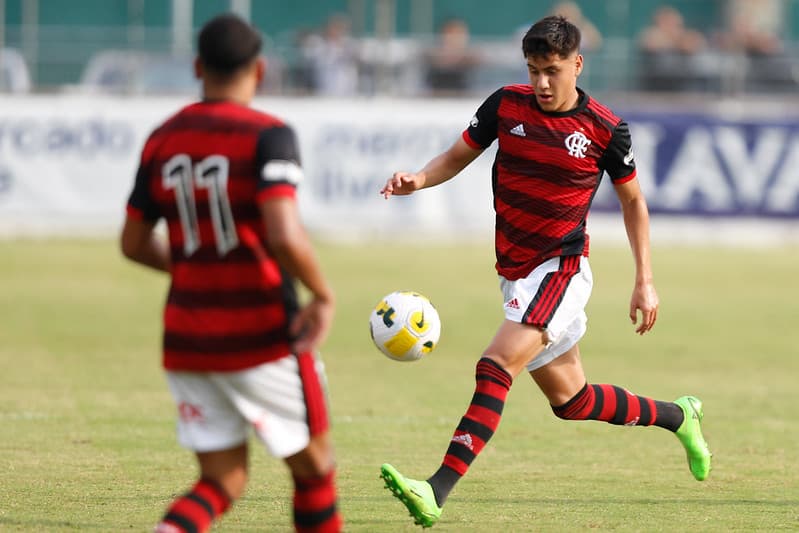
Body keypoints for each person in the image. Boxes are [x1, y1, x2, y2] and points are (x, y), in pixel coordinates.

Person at [378, 15, 711, 528]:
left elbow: (634, 202)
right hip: (515, 272)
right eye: (534, 70)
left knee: (495, 365)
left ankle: (435, 489)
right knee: (572, 400)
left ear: (577, 64)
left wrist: (644, 280)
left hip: (560, 270)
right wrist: (418, 180)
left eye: (552, 70)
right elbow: (457, 156)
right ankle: (679, 416)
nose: (542, 83)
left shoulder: (604, 129)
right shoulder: (505, 105)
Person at [120, 14, 342, 533]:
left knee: (222, 480)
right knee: (315, 467)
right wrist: (323, 293)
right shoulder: (269, 135)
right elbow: (284, 233)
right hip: (261, 333)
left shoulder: (162, 138)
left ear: (197, 67)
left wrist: (194, 267)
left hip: (186, 336)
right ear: (259, 70)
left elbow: (133, 243)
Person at [637, 5, 707, 91]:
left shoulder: (681, 37)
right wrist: (676, 41)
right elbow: (651, 43)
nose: (676, 27)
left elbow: (695, 44)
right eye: (673, 23)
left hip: (681, 85)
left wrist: (681, 41)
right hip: (656, 85)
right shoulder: (651, 34)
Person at [423, 18, 481, 95]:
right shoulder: (431, 57)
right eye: (451, 34)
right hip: (436, 98)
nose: (454, 39)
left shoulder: (472, 59)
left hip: (464, 98)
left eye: (458, 35)